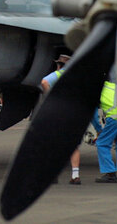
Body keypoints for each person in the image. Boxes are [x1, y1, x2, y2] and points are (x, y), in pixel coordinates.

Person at [41, 54, 82, 185]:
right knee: (74, 145)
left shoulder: (58, 74)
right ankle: (75, 175)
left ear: (60, 65)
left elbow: (44, 82)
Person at [95, 74, 117, 183]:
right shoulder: (115, 86)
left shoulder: (99, 89)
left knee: (102, 143)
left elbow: (94, 112)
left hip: (114, 119)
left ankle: (110, 173)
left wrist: (98, 128)